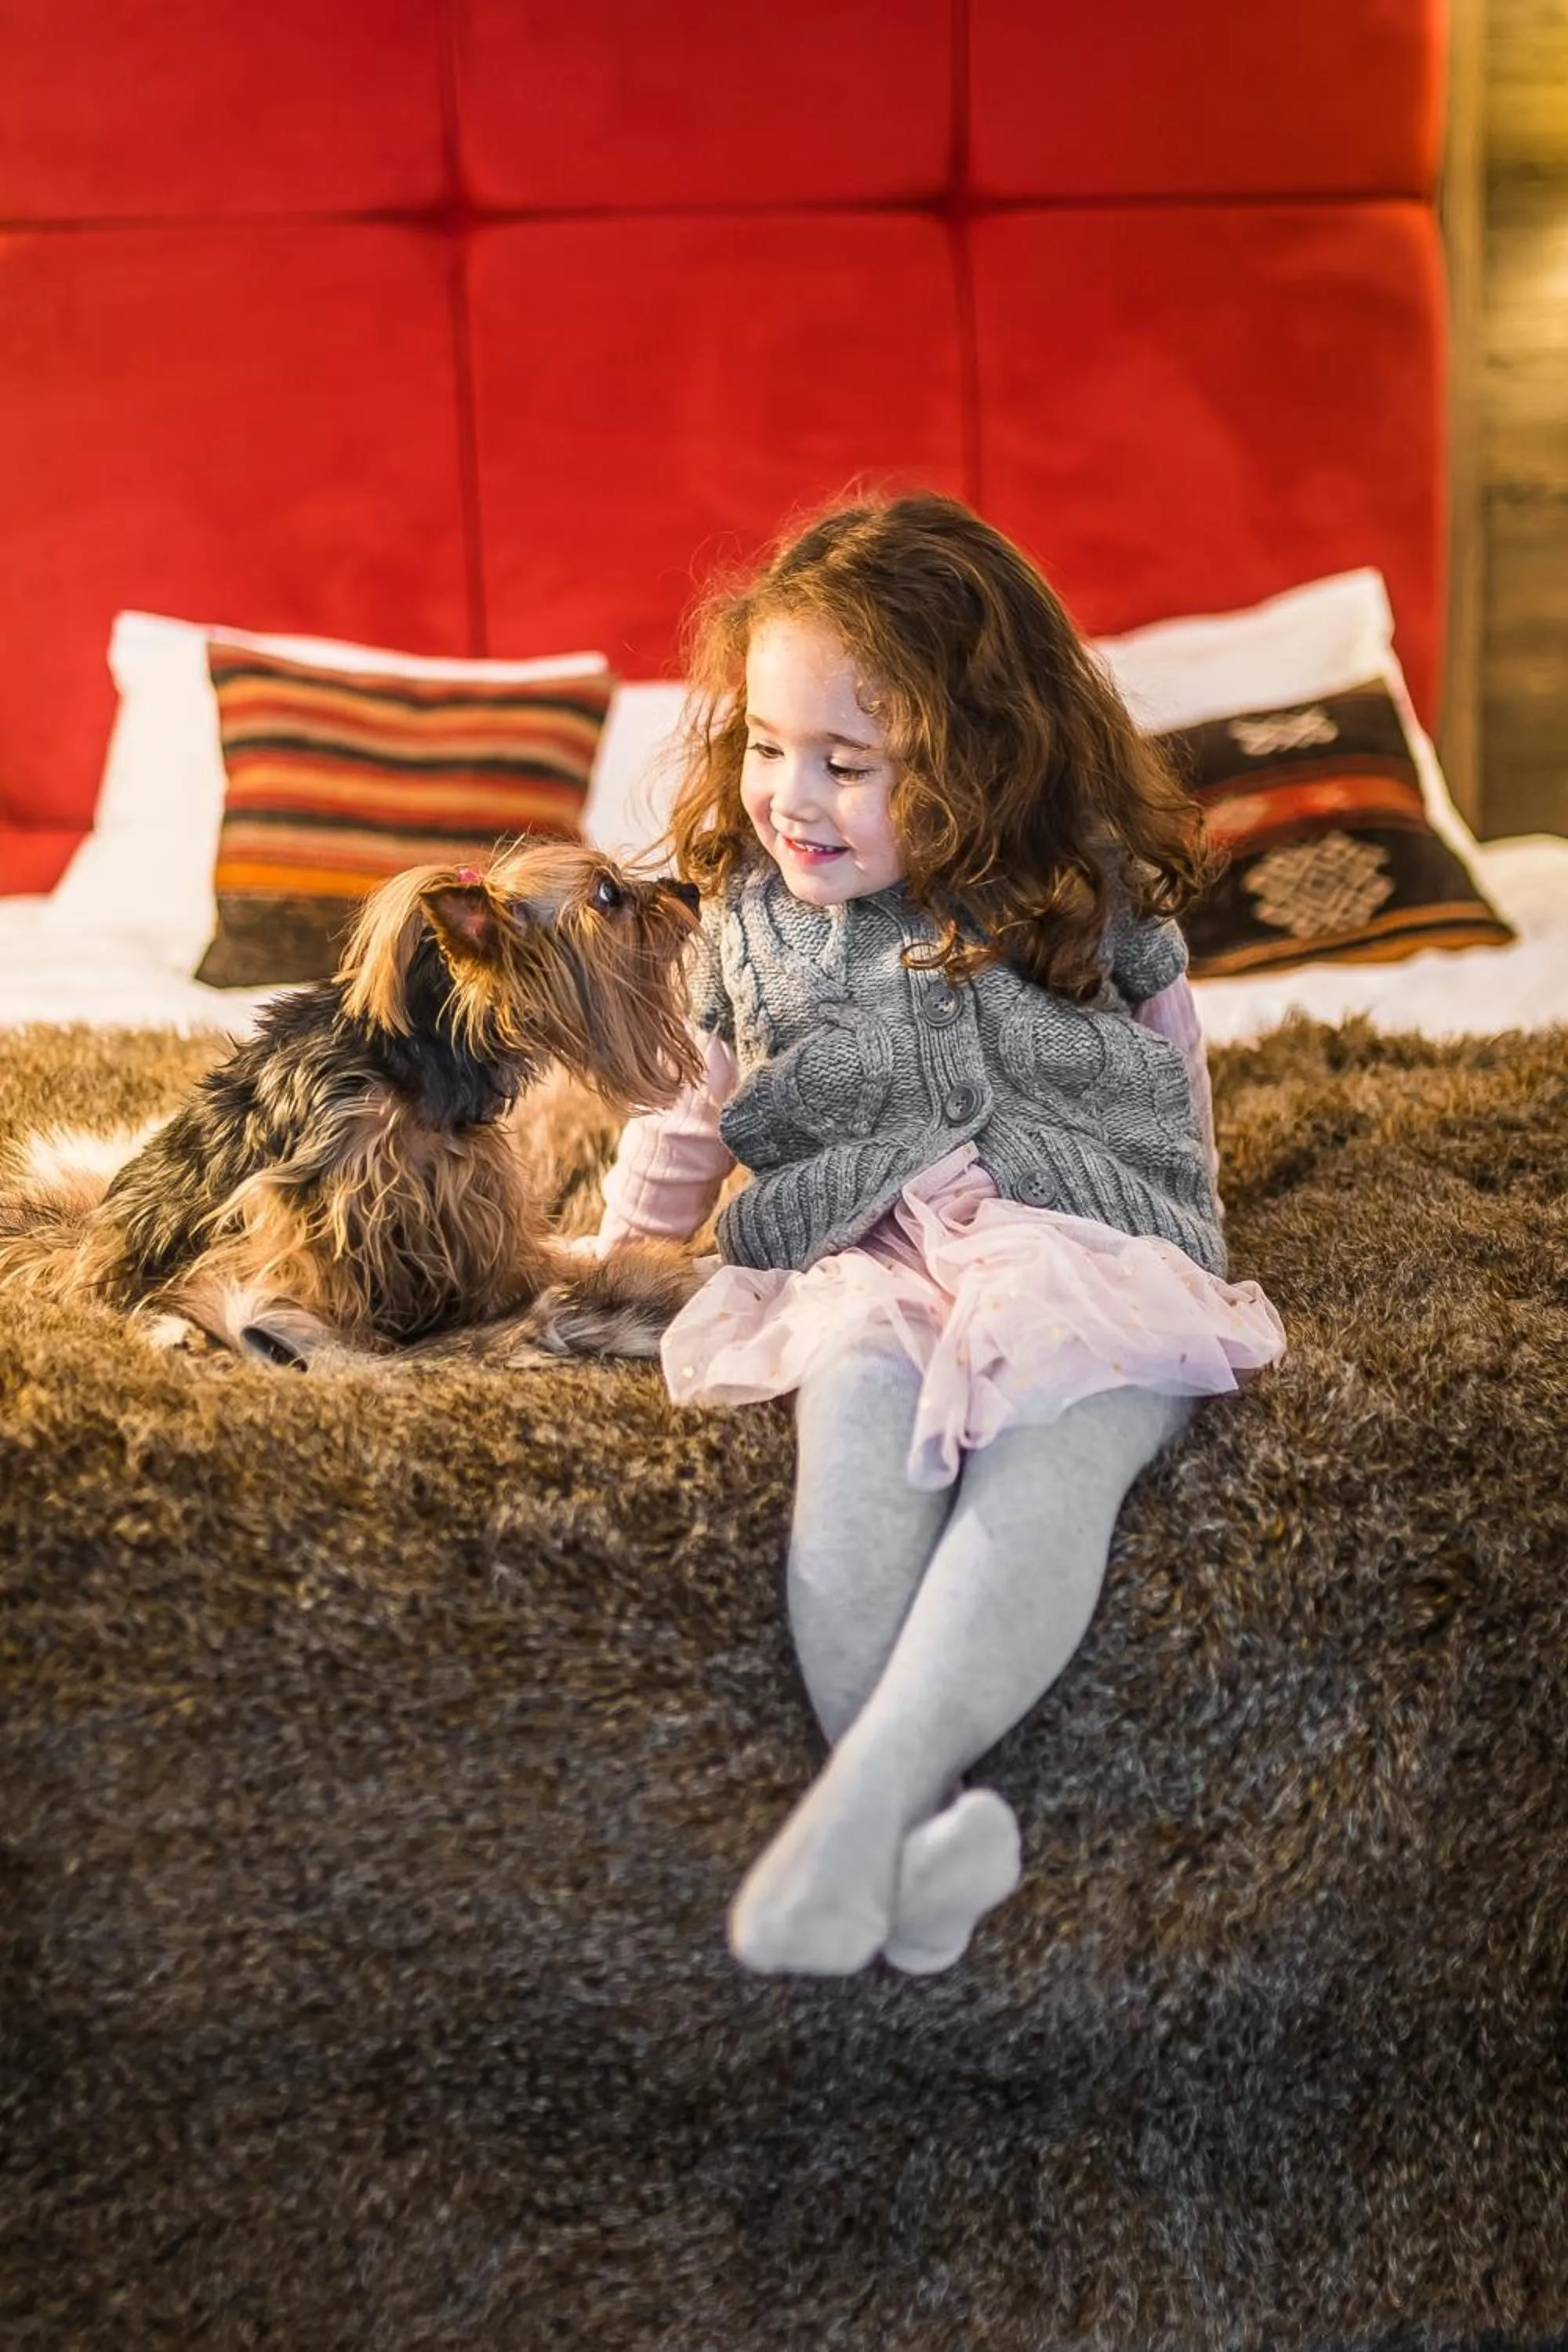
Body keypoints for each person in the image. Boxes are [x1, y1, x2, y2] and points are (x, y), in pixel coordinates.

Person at [590, 492, 1287, 1978]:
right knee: (856, 1446)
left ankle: (861, 1829)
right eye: (767, 746)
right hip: (866, 1251)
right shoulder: (744, 927)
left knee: (1057, 1450)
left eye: (848, 764)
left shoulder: (1083, 901)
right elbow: (686, 1113)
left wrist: (1185, 1254)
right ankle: (908, 1841)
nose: (790, 794)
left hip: (1084, 1244)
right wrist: (611, 1267)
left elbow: (1173, 1091)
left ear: (984, 762)